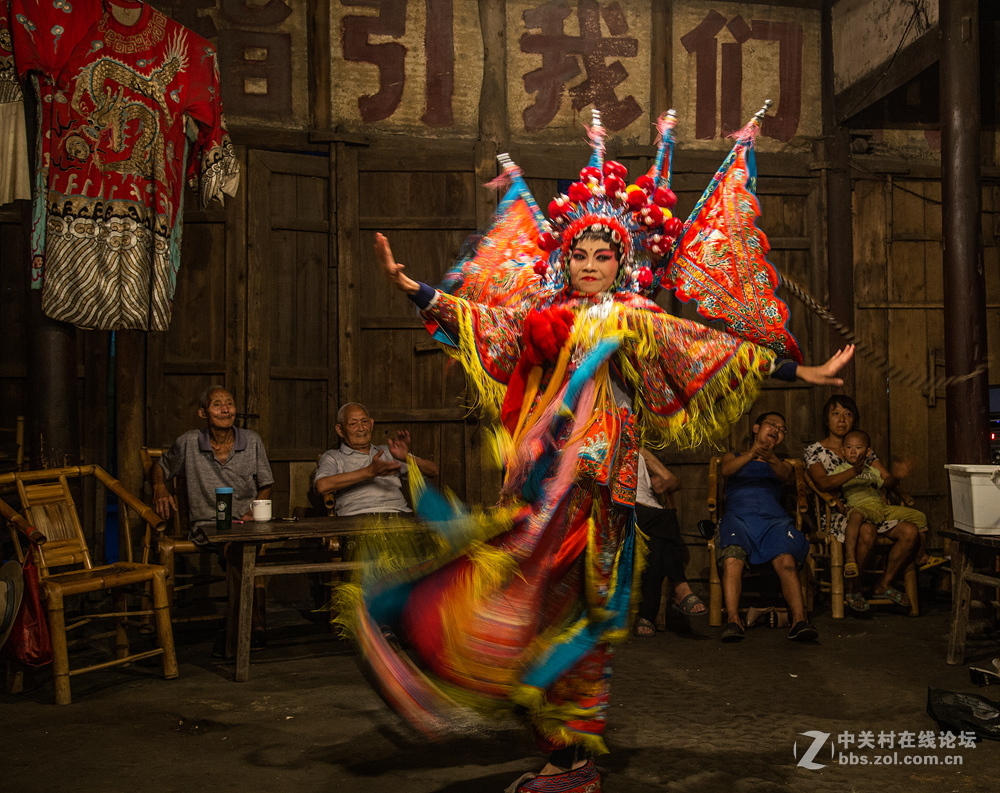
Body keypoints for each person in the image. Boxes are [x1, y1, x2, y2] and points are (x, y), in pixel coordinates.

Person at [343, 109, 853, 792]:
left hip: (597, 491)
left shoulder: (632, 316)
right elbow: (482, 323)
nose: (588, 265)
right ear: (565, 258)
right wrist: (416, 291)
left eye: (603, 255)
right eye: (579, 254)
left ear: (623, 261)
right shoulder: (542, 317)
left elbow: (710, 347)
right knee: (527, 597)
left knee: (582, 612)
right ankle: (527, 719)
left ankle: (571, 758)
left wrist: (805, 373)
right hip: (542, 484)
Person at [151, 385, 273, 645]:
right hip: (207, 525)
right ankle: (249, 626)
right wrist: (160, 487)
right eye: (217, 404)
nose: (225, 409)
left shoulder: (251, 440)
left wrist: (254, 508)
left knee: (241, 544)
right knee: (235, 547)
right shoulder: (189, 442)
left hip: (246, 524)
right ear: (202, 413)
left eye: (229, 403)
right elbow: (159, 467)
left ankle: (242, 626)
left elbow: (265, 484)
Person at [804, 395, 913, 613]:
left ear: (854, 420)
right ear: (827, 420)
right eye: (835, 414)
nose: (842, 419)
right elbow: (823, 484)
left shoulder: (864, 449)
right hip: (837, 513)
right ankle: (853, 588)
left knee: (910, 532)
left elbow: (885, 477)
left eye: (848, 414)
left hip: (872, 508)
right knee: (866, 530)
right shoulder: (815, 450)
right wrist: (853, 471)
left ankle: (884, 583)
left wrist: (897, 477)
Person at [716, 412, 818, 643]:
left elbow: (785, 475)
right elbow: (726, 470)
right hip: (739, 518)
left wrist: (770, 457)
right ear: (756, 428)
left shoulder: (778, 464)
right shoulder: (734, 456)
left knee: (787, 561)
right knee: (732, 559)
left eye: (781, 429)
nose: (776, 430)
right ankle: (733, 621)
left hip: (773, 521)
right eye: (771, 425)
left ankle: (799, 621)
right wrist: (753, 453)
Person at [831, 430, 925, 607]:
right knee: (860, 520)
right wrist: (841, 507)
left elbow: (887, 484)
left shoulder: (872, 471)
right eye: (849, 448)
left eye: (858, 448)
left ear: (867, 452)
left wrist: (897, 475)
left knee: (912, 528)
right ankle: (851, 567)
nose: (853, 451)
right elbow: (831, 488)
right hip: (860, 510)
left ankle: (885, 583)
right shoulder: (842, 470)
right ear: (842, 450)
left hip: (880, 510)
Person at [313, 402, 438, 518]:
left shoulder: (388, 451)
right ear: (340, 430)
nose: (361, 428)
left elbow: (433, 471)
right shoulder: (334, 457)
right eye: (353, 424)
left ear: (371, 424)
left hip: (398, 514)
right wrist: (369, 472)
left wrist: (406, 457)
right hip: (356, 517)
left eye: (364, 421)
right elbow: (321, 486)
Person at [633, 449, 705, 638]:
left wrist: (663, 484)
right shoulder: (597, 445)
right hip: (623, 508)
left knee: (658, 547)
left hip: (651, 513)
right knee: (665, 520)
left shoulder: (640, 451)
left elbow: (674, 481)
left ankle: (646, 615)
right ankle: (680, 587)